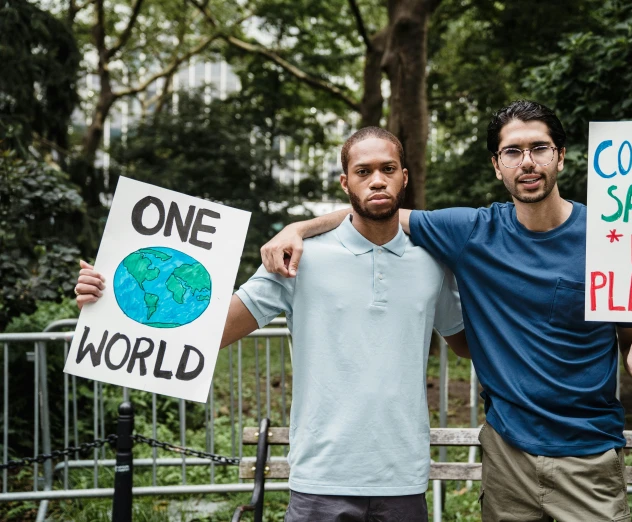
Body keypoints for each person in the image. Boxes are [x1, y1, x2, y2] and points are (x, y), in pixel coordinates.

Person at [260, 100, 632, 522]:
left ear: (561, 156)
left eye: (540, 148)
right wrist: (299, 228)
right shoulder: (471, 232)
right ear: (497, 165)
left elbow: (631, 335)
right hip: (507, 456)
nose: (527, 162)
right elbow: (377, 209)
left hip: (588, 456)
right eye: (513, 151)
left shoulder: (609, 237)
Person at [74, 127, 469, 522]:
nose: (378, 180)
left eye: (388, 168)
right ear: (345, 182)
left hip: (403, 477)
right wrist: (108, 300)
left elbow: (468, 344)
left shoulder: (432, 262)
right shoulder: (298, 257)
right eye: (364, 171)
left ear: (404, 176)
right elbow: (212, 330)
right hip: (319, 479)